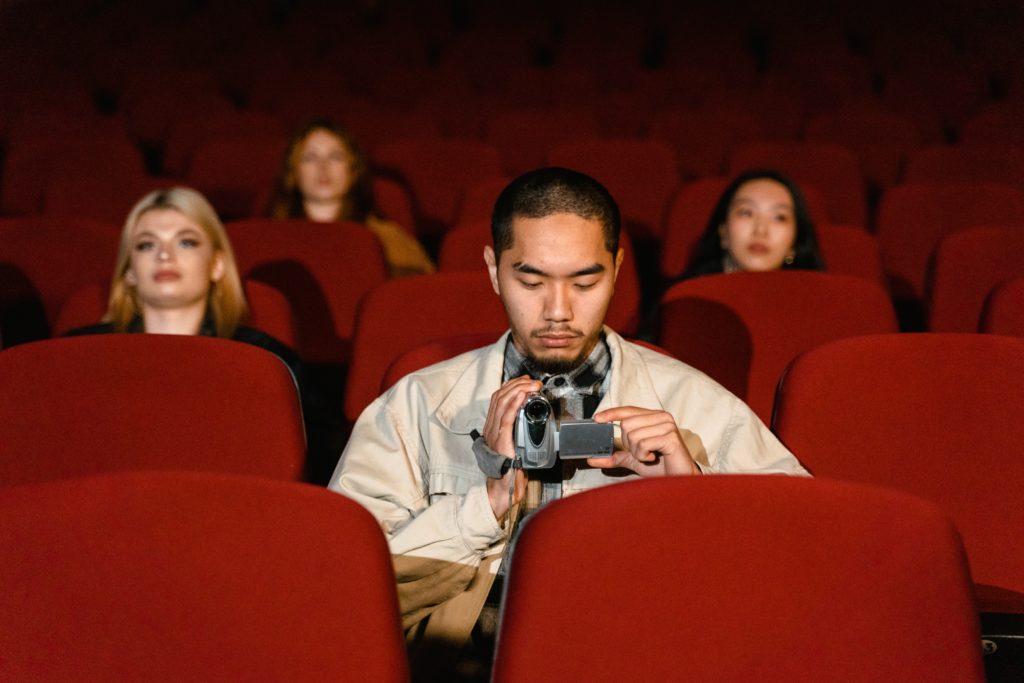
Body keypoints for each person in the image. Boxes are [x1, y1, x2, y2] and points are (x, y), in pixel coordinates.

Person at [328, 167, 808, 681]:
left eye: (585, 281)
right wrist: (483, 507)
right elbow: (343, 598)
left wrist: (692, 496)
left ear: (618, 268)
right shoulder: (415, 405)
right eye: (531, 281)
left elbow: (798, 578)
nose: (558, 311)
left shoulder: (699, 406)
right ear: (493, 270)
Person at [63, 187, 315, 462]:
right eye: (147, 245)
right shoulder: (78, 356)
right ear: (130, 271)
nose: (164, 255)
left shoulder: (266, 361)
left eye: (186, 242)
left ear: (217, 265)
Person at [266, 118, 436, 278]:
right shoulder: (270, 239)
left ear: (354, 170)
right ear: (292, 172)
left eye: (335, 156)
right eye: (310, 157)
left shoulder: (385, 239)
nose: (323, 167)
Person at [680, 168, 825, 279]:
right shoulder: (682, 299)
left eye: (779, 217)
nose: (760, 230)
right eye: (746, 213)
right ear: (723, 231)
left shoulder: (818, 305)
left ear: (795, 242)